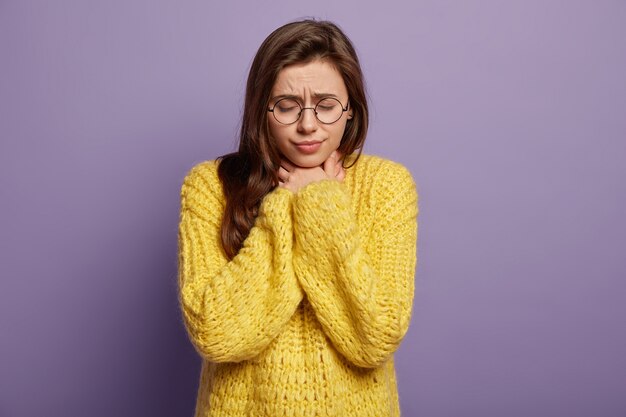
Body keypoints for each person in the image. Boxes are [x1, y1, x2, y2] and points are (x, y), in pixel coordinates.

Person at [177, 19, 419, 417]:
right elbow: (216, 333)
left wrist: (319, 200)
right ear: (262, 110)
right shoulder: (209, 186)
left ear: (350, 112)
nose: (308, 124)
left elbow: (373, 337)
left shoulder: (387, 186)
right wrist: (284, 204)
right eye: (288, 106)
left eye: (326, 106)